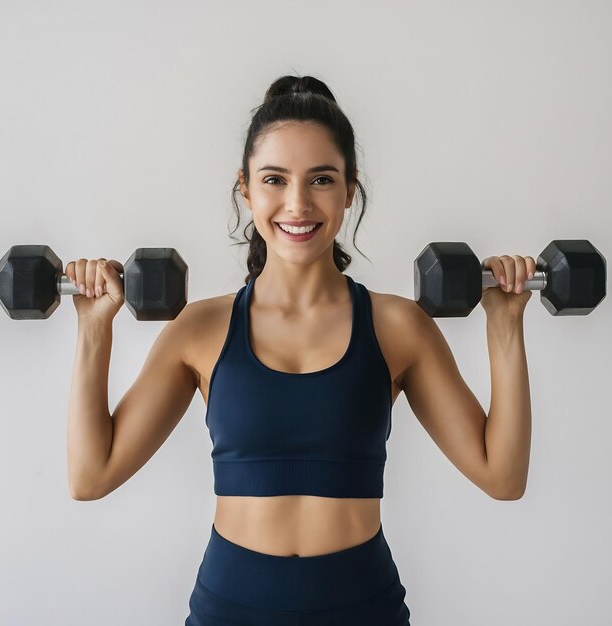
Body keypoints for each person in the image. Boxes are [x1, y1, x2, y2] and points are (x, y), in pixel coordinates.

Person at [66, 74, 535, 625]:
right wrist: (94, 328)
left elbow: (501, 476)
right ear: (246, 189)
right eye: (274, 179)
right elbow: (90, 476)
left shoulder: (396, 327)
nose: (297, 204)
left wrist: (505, 326)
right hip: (230, 610)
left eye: (320, 180)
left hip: (362, 608)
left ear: (349, 190)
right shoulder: (201, 329)